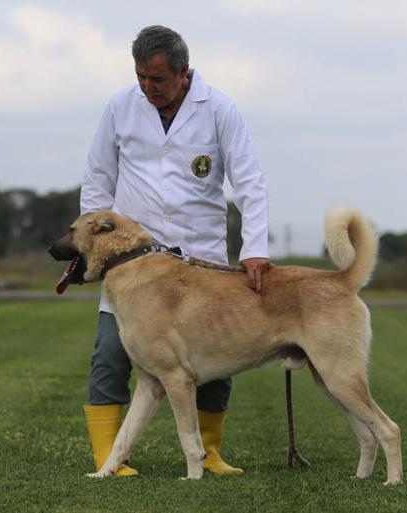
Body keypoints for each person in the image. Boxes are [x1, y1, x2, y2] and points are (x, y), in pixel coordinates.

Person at [79, 25, 270, 477]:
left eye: (157, 79)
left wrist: (255, 249)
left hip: (198, 256)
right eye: (141, 77)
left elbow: (249, 182)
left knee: (217, 355)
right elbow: (97, 179)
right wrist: (94, 244)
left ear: (183, 73)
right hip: (132, 263)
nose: (147, 88)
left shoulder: (220, 109)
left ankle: (210, 452)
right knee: (110, 352)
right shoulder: (120, 107)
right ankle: (109, 457)